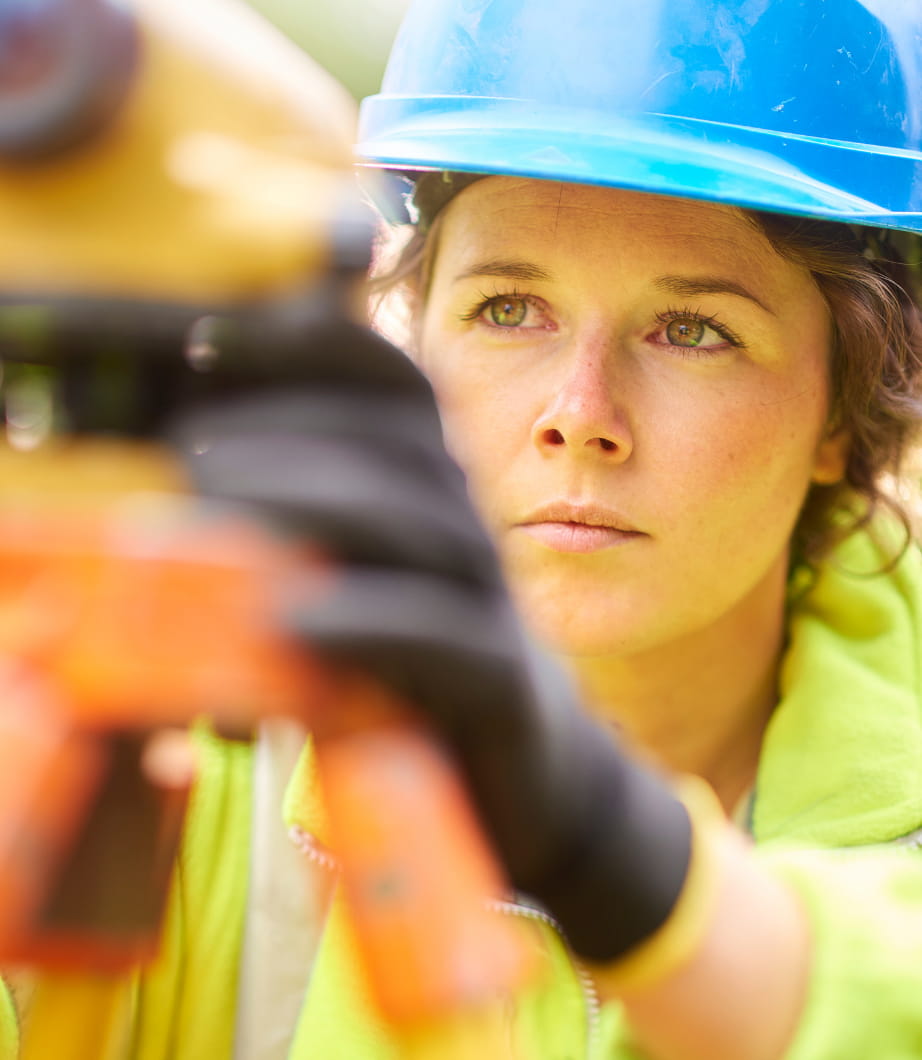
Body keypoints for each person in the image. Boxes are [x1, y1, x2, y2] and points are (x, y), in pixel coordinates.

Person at [7, 2, 922, 1060]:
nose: (578, 412)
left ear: (844, 411)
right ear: (412, 331)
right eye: (506, 309)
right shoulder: (181, 716)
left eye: (693, 330)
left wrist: (605, 839)